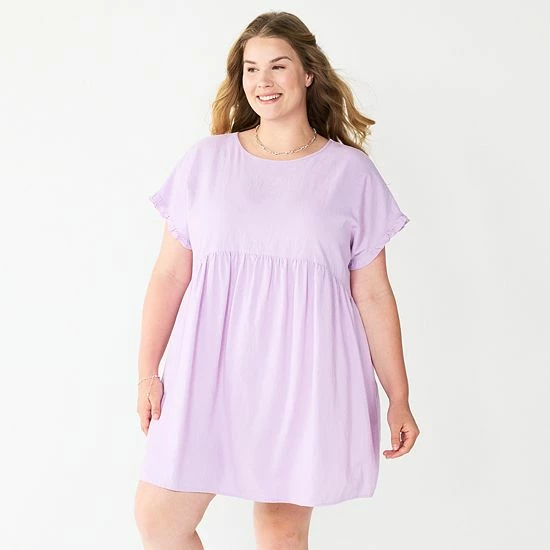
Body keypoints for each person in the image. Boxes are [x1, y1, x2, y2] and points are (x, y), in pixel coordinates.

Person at [134, 10, 420, 550]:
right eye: (251, 68)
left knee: (281, 533)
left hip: (305, 370)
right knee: (159, 518)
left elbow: (373, 293)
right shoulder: (206, 161)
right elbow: (170, 273)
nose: (263, 81)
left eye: (278, 66)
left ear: (308, 73)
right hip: (209, 366)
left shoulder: (350, 173)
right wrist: (148, 371)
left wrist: (398, 396)